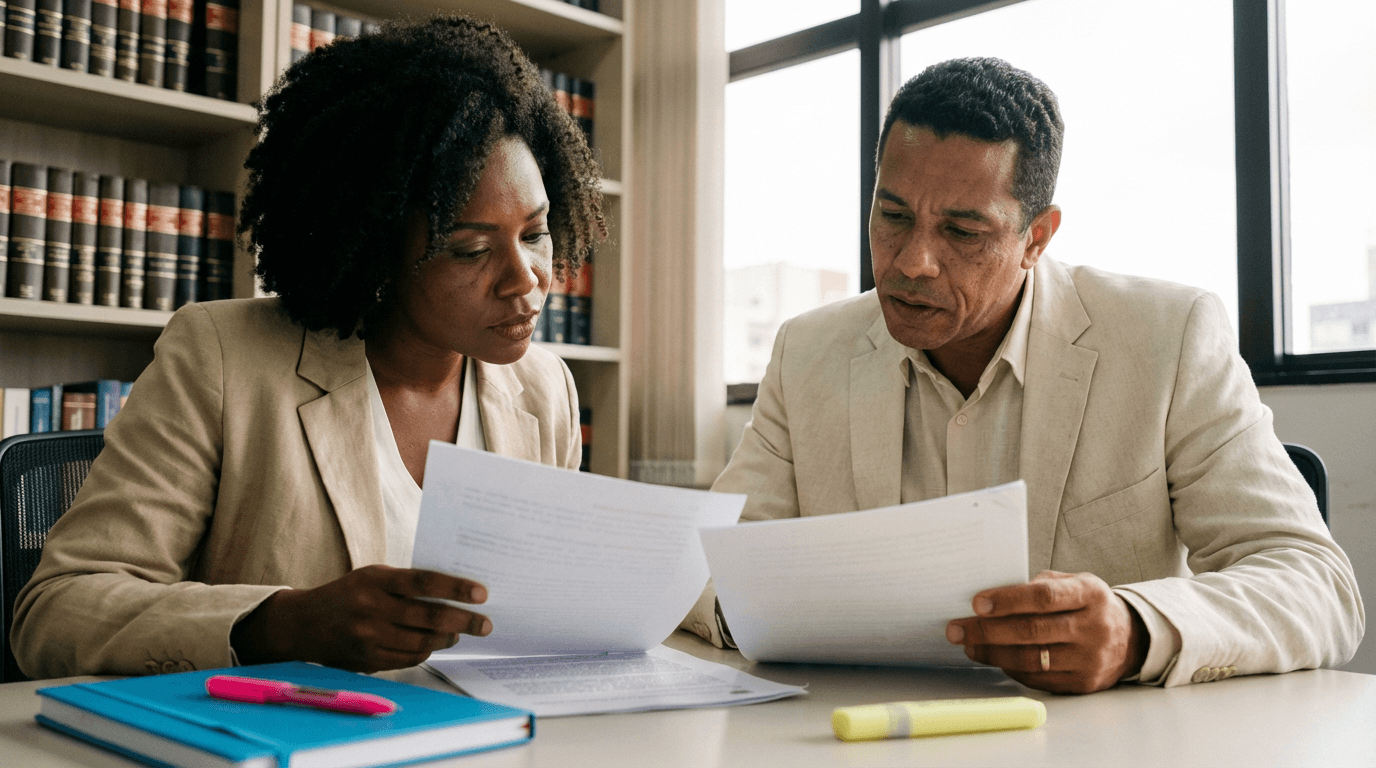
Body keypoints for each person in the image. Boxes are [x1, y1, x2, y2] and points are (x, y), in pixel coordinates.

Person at [683, 57, 1362, 693]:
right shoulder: (807, 352)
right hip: (862, 732)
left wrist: (1134, 631)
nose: (912, 261)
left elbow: (1317, 585)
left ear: (1036, 238)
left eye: (962, 232)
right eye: (893, 216)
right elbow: (705, 569)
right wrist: (763, 610)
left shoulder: (1168, 339)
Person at [12, 15, 604, 679]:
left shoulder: (545, 389)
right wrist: (283, 623)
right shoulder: (222, 360)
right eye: (470, 249)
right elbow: (56, 612)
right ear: (378, 251)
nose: (526, 278)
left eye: (534, 233)